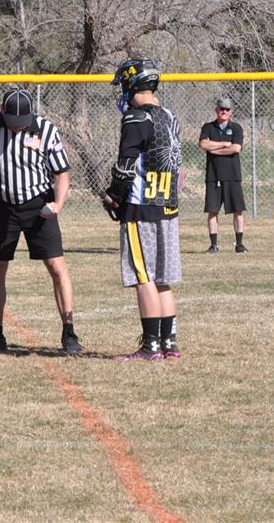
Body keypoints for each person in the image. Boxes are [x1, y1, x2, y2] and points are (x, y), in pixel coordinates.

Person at [0, 87, 80, 355]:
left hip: (38, 204)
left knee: (57, 266)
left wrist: (58, 204)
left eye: (22, 123)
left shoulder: (45, 129)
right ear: (2, 112)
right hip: (1, 203)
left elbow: (62, 173)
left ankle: (69, 331)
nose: (17, 128)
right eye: (13, 123)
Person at [103, 57, 182, 361]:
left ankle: (150, 346)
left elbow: (125, 168)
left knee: (144, 276)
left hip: (141, 205)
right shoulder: (170, 116)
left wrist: (114, 196)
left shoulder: (136, 118)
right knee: (162, 278)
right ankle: (169, 343)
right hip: (168, 205)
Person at [199, 98, 248, 254]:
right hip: (213, 176)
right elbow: (203, 144)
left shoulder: (236, 128)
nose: (224, 112)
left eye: (227, 109)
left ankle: (239, 244)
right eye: (221, 109)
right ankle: (213, 245)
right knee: (212, 211)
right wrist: (224, 144)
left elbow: (236, 148)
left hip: (232, 175)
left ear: (231, 112)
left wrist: (214, 150)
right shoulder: (208, 127)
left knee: (237, 211)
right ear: (216, 110)